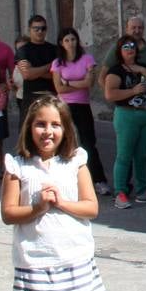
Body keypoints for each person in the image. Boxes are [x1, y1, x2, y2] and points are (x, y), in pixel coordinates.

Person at [1, 94, 106, 291]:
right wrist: (37, 208)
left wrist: (60, 203)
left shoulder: (75, 161)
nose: (48, 131)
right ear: (29, 127)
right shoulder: (18, 165)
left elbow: (91, 207)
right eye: (40, 124)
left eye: (55, 125)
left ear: (65, 129)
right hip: (36, 257)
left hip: (73, 253)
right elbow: (9, 213)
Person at [98, 15, 146, 199]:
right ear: (120, 50)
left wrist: (143, 70)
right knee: (124, 155)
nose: (130, 49)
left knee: (143, 155)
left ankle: (144, 190)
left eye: (132, 47)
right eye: (126, 47)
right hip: (126, 115)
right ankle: (121, 190)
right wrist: (132, 92)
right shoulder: (116, 70)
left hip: (145, 114)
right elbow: (109, 93)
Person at [51, 27, 110, 196]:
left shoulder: (87, 59)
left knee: (88, 143)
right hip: (63, 106)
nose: (71, 43)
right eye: (67, 40)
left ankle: (99, 180)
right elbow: (58, 88)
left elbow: (89, 83)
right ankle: (65, 182)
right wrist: (77, 83)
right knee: (64, 143)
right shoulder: (57, 63)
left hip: (82, 105)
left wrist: (68, 83)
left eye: (73, 39)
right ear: (61, 44)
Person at [15, 15, 58, 123]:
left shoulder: (54, 50)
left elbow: (57, 75)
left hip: (51, 97)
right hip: (30, 98)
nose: (40, 31)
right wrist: (50, 66)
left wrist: (34, 70)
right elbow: (27, 75)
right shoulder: (23, 51)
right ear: (30, 30)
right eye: (36, 28)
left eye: (43, 28)